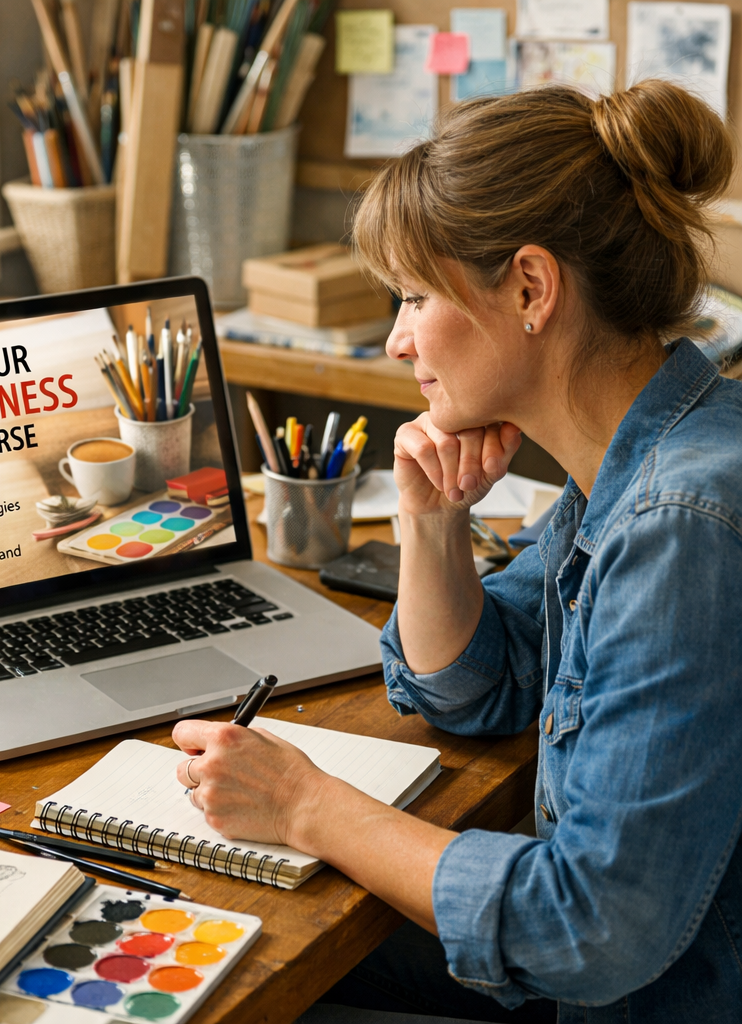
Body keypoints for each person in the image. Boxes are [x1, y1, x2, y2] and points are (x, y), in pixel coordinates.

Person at [173, 79, 742, 1023]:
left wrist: (306, 804)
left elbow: (591, 925)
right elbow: (479, 684)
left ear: (530, 287)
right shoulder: (643, 454)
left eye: (412, 297)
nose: (398, 340)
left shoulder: (682, 518)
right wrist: (431, 522)